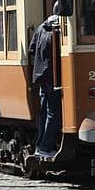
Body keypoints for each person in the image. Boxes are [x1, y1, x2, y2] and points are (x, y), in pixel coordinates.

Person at [29, 13, 61, 158]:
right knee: (53, 113)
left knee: (44, 112)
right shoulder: (55, 32)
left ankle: (40, 144)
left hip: (40, 76)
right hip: (52, 77)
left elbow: (31, 49)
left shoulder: (41, 28)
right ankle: (46, 146)